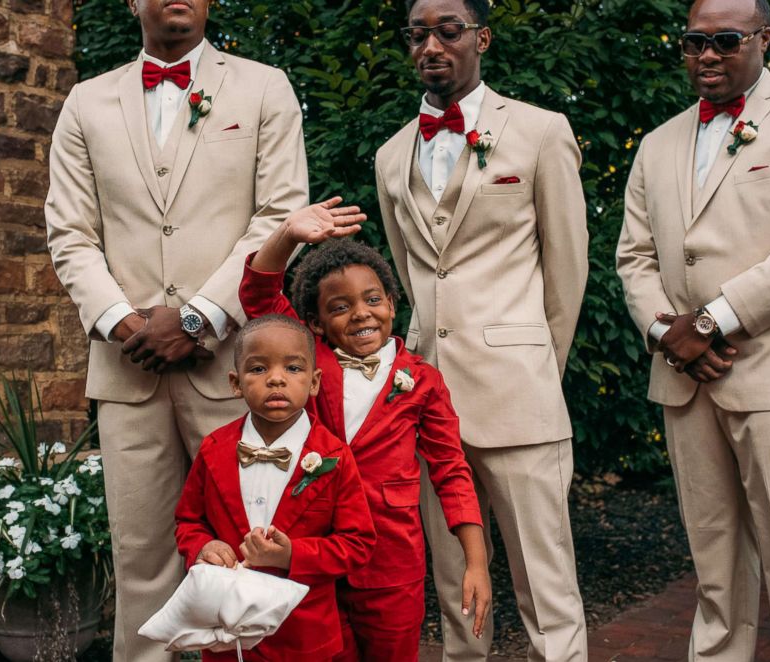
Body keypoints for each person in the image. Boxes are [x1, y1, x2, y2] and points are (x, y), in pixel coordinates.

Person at [44, 0, 308, 658]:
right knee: (141, 567)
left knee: (255, 556)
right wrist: (128, 324)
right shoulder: (85, 103)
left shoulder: (264, 86)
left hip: (232, 369)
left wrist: (195, 318)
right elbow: (71, 234)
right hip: (127, 369)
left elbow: (280, 213)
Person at [616, 0, 770, 658]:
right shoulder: (656, 144)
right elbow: (634, 259)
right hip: (687, 382)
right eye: (694, 42)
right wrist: (665, 334)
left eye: (725, 41)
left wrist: (708, 321)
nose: (707, 55)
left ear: (763, 37)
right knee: (716, 581)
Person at [374, 0, 590, 659]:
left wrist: (534, 369)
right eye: (418, 35)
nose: (431, 46)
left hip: (520, 396)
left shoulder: (539, 132)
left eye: (448, 30)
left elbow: (568, 270)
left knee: (546, 591)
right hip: (428, 406)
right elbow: (414, 279)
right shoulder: (390, 156)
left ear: (482, 37)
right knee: (455, 593)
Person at [238, 198, 491, 661]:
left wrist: (476, 561)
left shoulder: (423, 381)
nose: (361, 313)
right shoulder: (311, 361)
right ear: (315, 322)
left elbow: (451, 471)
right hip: (314, 556)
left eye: (373, 299)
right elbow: (257, 296)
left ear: (392, 305)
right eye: (340, 307)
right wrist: (288, 235)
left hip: (391, 563)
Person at [174, 315, 377, 662]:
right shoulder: (213, 449)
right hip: (228, 632)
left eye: (294, 368)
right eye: (258, 369)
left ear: (314, 383)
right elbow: (188, 522)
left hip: (303, 635)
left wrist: (291, 556)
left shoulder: (334, 456)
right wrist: (203, 546)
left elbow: (358, 544)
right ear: (235, 384)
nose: (277, 378)